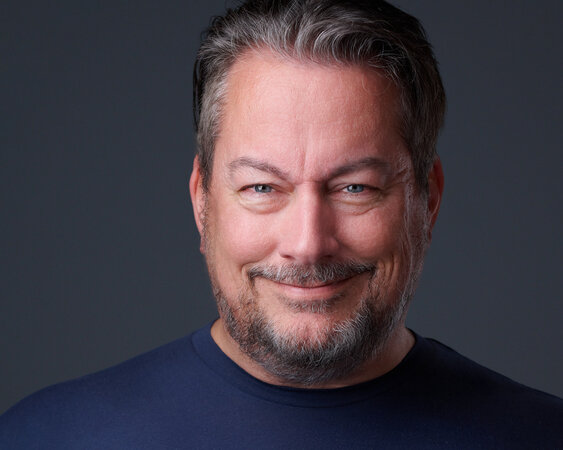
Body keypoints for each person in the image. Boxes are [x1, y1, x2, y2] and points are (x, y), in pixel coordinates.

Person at [1, 0, 561, 448]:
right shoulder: (45, 438)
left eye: (355, 188)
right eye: (262, 188)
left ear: (427, 200)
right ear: (202, 202)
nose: (308, 244)